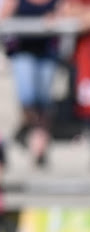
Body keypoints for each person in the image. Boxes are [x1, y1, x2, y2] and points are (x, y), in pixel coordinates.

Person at [0, 0, 60, 167]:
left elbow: (70, 14)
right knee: (27, 96)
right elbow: (3, 19)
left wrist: (56, 18)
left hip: (47, 52)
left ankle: (40, 137)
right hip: (23, 51)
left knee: (44, 99)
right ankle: (34, 130)